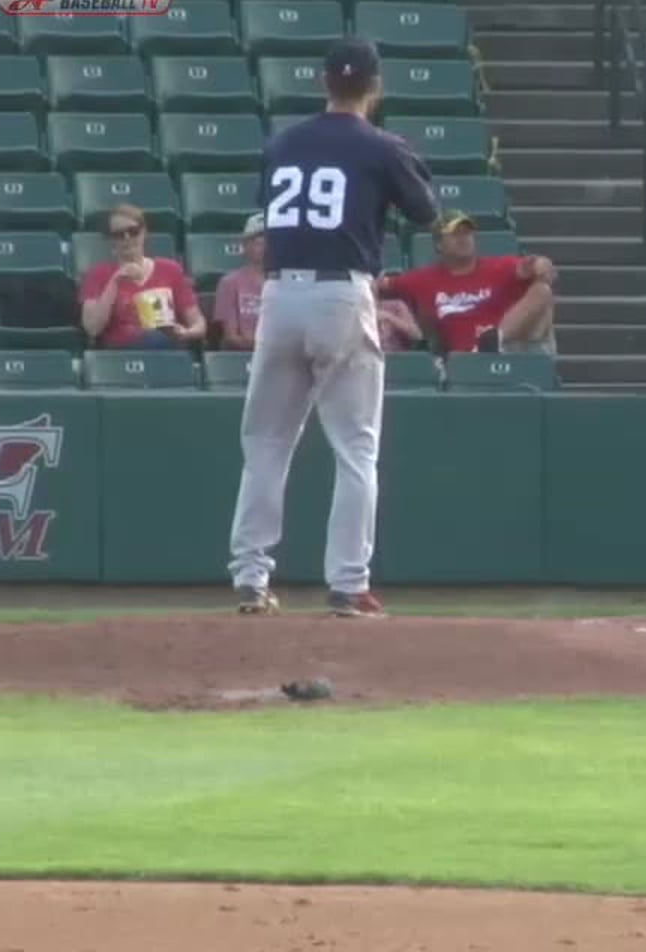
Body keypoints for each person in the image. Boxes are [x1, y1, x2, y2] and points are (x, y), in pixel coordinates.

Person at [227, 38, 439, 620]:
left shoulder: (283, 143)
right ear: (375, 86)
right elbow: (427, 213)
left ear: (324, 82)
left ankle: (250, 576)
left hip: (279, 295)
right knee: (356, 448)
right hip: (342, 294)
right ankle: (347, 584)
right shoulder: (381, 145)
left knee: (265, 444)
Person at [379, 211, 557, 356]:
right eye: (455, 234)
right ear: (439, 244)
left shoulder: (500, 267)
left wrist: (541, 265)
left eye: (467, 232)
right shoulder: (422, 279)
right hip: (464, 361)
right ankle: (487, 347)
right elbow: (376, 286)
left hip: (509, 351)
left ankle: (495, 339)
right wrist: (384, 315)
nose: (463, 238)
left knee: (542, 290)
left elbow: (541, 266)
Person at [78, 204, 205, 349]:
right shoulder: (98, 274)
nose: (127, 238)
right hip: (122, 353)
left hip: (167, 346)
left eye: (133, 232)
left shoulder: (170, 270)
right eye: (119, 235)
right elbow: (92, 328)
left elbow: (198, 324)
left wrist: (187, 333)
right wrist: (114, 282)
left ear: (144, 232)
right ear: (111, 240)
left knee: (159, 338)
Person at [212, 213, 268, 351]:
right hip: (242, 354)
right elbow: (231, 337)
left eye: (269, 242)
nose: (264, 247)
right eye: (258, 242)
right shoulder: (229, 283)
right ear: (245, 245)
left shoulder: (285, 283)